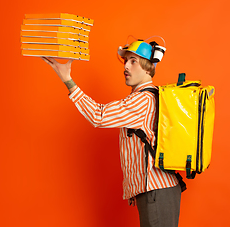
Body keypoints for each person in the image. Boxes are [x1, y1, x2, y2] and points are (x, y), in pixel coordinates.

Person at [41, 39, 181, 227]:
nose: (126, 66)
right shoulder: (145, 96)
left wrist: (68, 79)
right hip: (156, 190)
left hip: (156, 190)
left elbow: (98, 116)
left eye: (133, 61)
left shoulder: (143, 100)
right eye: (126, 61)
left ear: (148, 68)